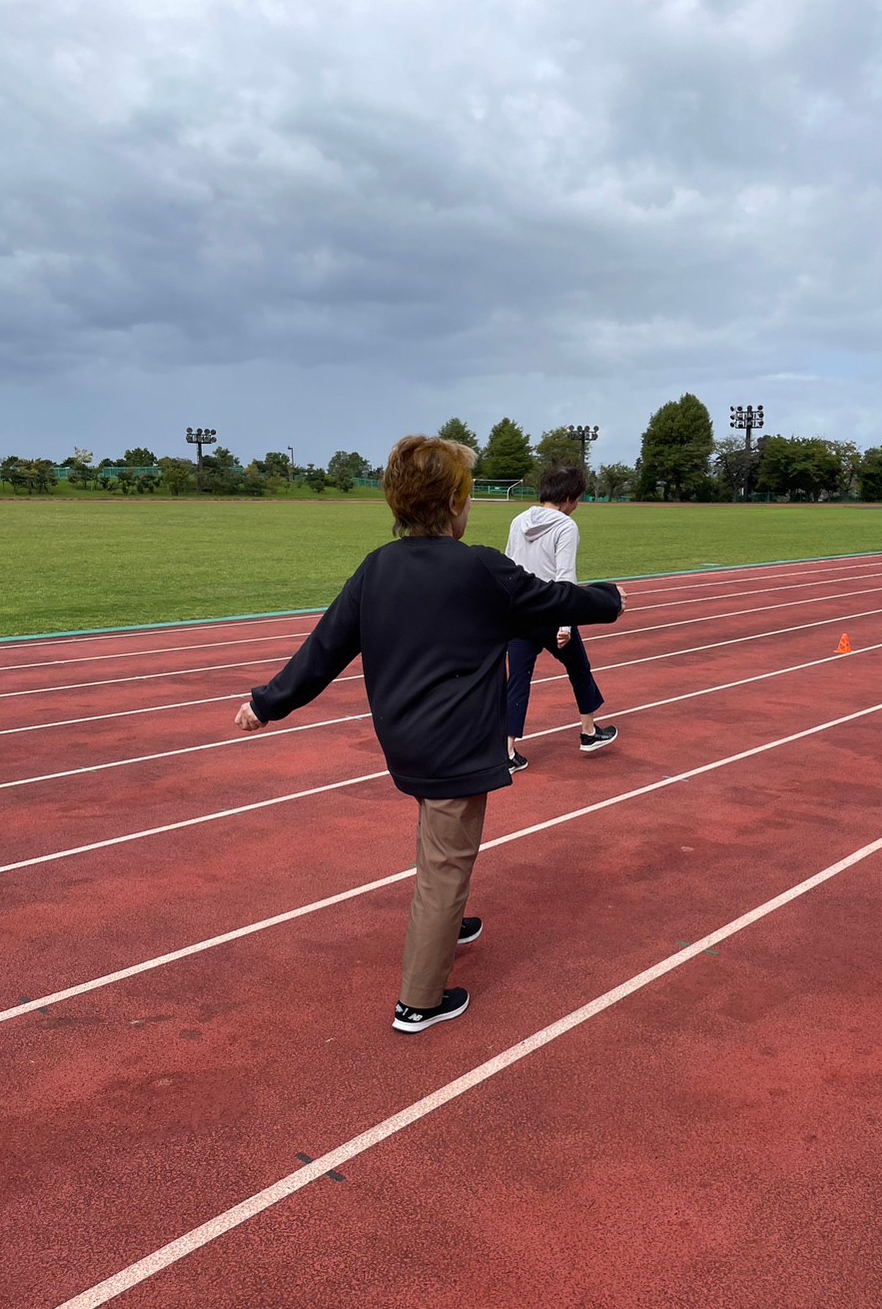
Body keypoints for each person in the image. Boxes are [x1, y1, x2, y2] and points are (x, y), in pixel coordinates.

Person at [234, 436, 624, 1031]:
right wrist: (611, 599)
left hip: (404, 739)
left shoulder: (377, 567)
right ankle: (419, 1000)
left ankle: (450, 921)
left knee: (439, 839)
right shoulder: (479, 568)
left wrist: (267, 703)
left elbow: (324, 648)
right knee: (446, 862)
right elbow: (552, 599)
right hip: (457, 745)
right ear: (453, 504)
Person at [504, 462, 618, 774]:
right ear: (568, 498)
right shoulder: (566, 526)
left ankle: (506, 750)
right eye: (577, 499)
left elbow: (508, 568)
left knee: (517, 679)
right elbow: (565, 577)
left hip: (520, 613)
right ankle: (589, 731)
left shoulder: (518, 521)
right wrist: (567, 623)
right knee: (579, 668)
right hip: (552, 612)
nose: (577, 505)